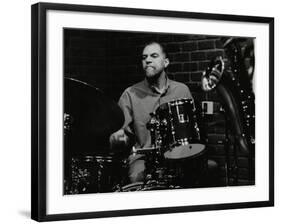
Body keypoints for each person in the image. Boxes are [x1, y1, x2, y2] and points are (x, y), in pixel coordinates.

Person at [110, 41, 193, 183]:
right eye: (144, 57)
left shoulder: (182, 90)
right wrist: (117, 139)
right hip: (144, 159)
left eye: (154, 56)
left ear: (166, 62)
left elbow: (191, 129)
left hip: (180, 156)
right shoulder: (130, 94)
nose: (147, 60)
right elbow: (118, 135)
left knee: (206, 169)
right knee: (136, 176)